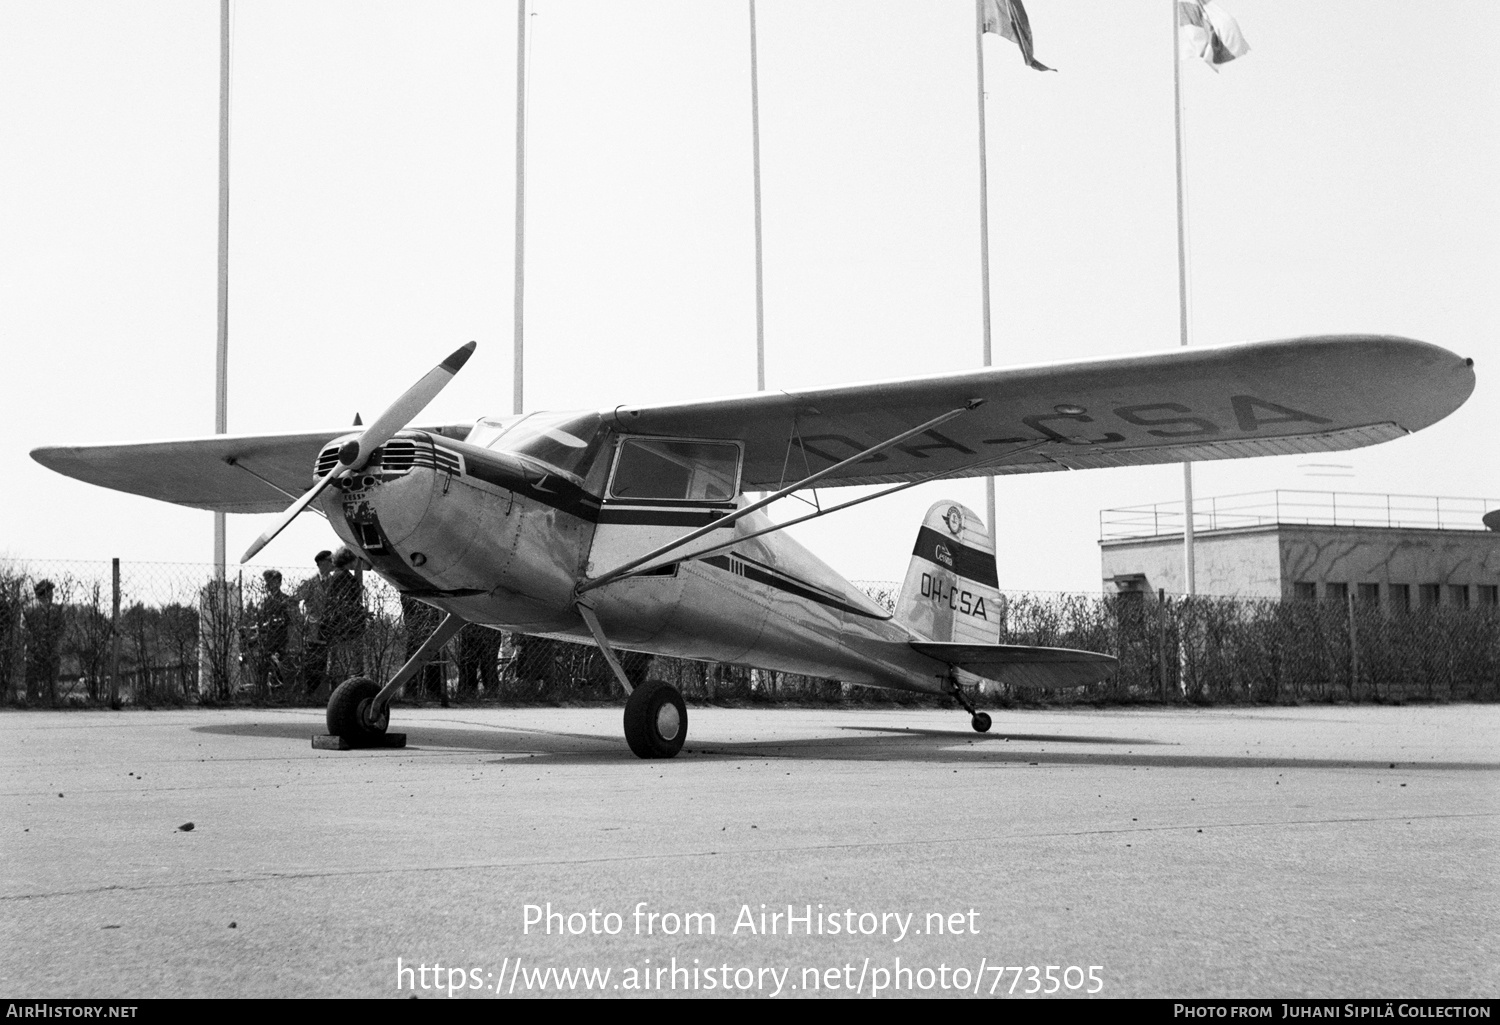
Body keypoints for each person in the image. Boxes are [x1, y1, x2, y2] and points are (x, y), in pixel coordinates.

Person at [323, 547, 367, 686]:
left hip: (338, 624)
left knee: (339, 659)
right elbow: (349, 598)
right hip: (346, 625)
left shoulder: (338, 575)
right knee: (349, 659)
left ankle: (338, 685)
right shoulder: (343, 578)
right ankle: (348, 685)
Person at [294, 550, 334, 697]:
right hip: (313, 628)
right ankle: (310, 691)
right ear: (322, 563)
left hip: (329, 627)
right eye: (330, 560)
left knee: (326, 662)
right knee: (312, 661)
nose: (333, 563)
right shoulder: (310, 583)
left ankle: (322, 693)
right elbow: (295, 599)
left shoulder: (335, 581)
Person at [249, 569, 290, 695]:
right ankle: (265, 691)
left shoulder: (285, 600)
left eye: (270, 582)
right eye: (267, 582)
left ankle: (280, 691)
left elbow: (287, 620)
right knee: (263, 666)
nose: (268, 585)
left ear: (278, 582)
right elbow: (261, 619)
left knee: (279, 666)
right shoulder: (265, 601)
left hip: (280, 639)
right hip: (267, 639)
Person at [23, 580, 64, 706]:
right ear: (47, 593)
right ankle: (50, 698)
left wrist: (32, 644)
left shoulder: (28, 609)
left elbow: (24, 629)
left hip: (32, 648)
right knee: (51, 677)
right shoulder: (56, 610)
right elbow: (61, 630)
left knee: (32, 676)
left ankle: (32, 698)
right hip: (51, 649)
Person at [401, 594, 447, 704]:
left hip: (430, 604)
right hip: (419, 601)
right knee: (415, 649)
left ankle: (433, 691)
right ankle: (412, 691)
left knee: (433, 649)